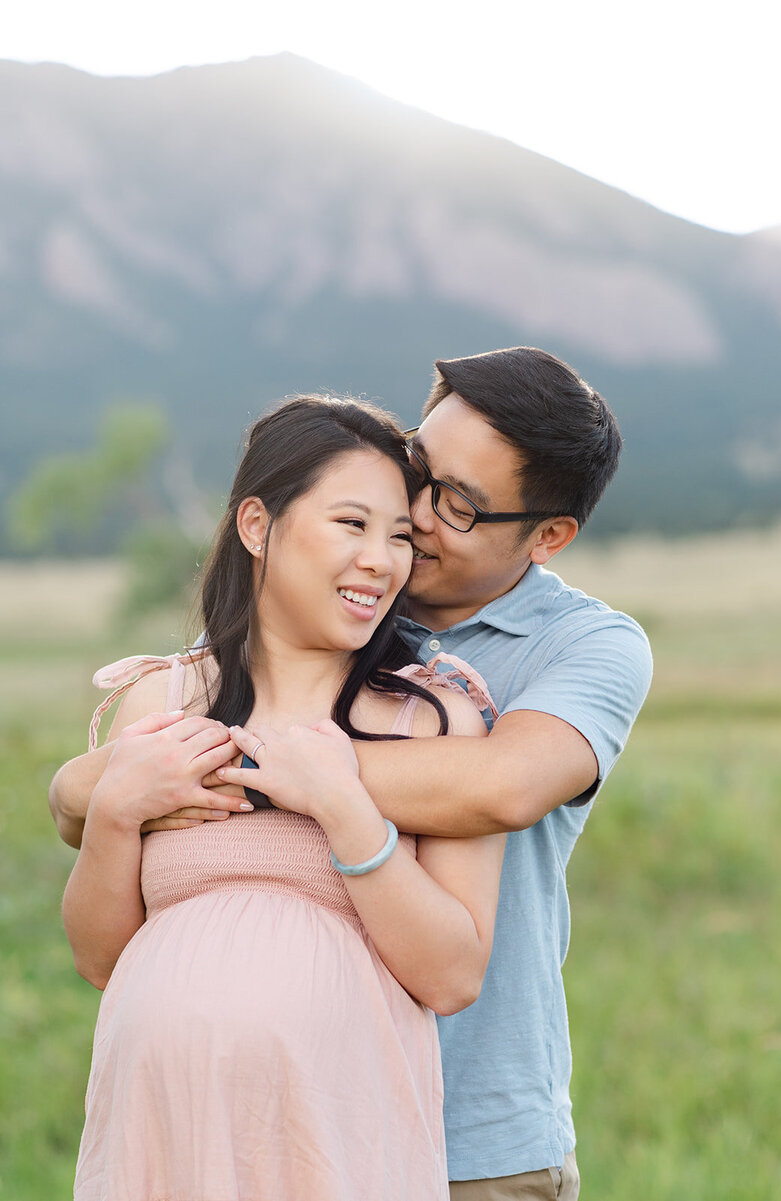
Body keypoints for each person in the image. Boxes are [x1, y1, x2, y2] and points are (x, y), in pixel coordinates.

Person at [52, 346, 653, 1201]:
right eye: (418, 467)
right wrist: (93, 787)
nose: (409, 513)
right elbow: (106, 788)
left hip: (472, 1134)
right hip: (217, 1129)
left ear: (548, 535)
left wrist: (249, 762)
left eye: (456, 505)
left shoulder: (585, 648)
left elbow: (499, 787)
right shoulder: (324, 603)